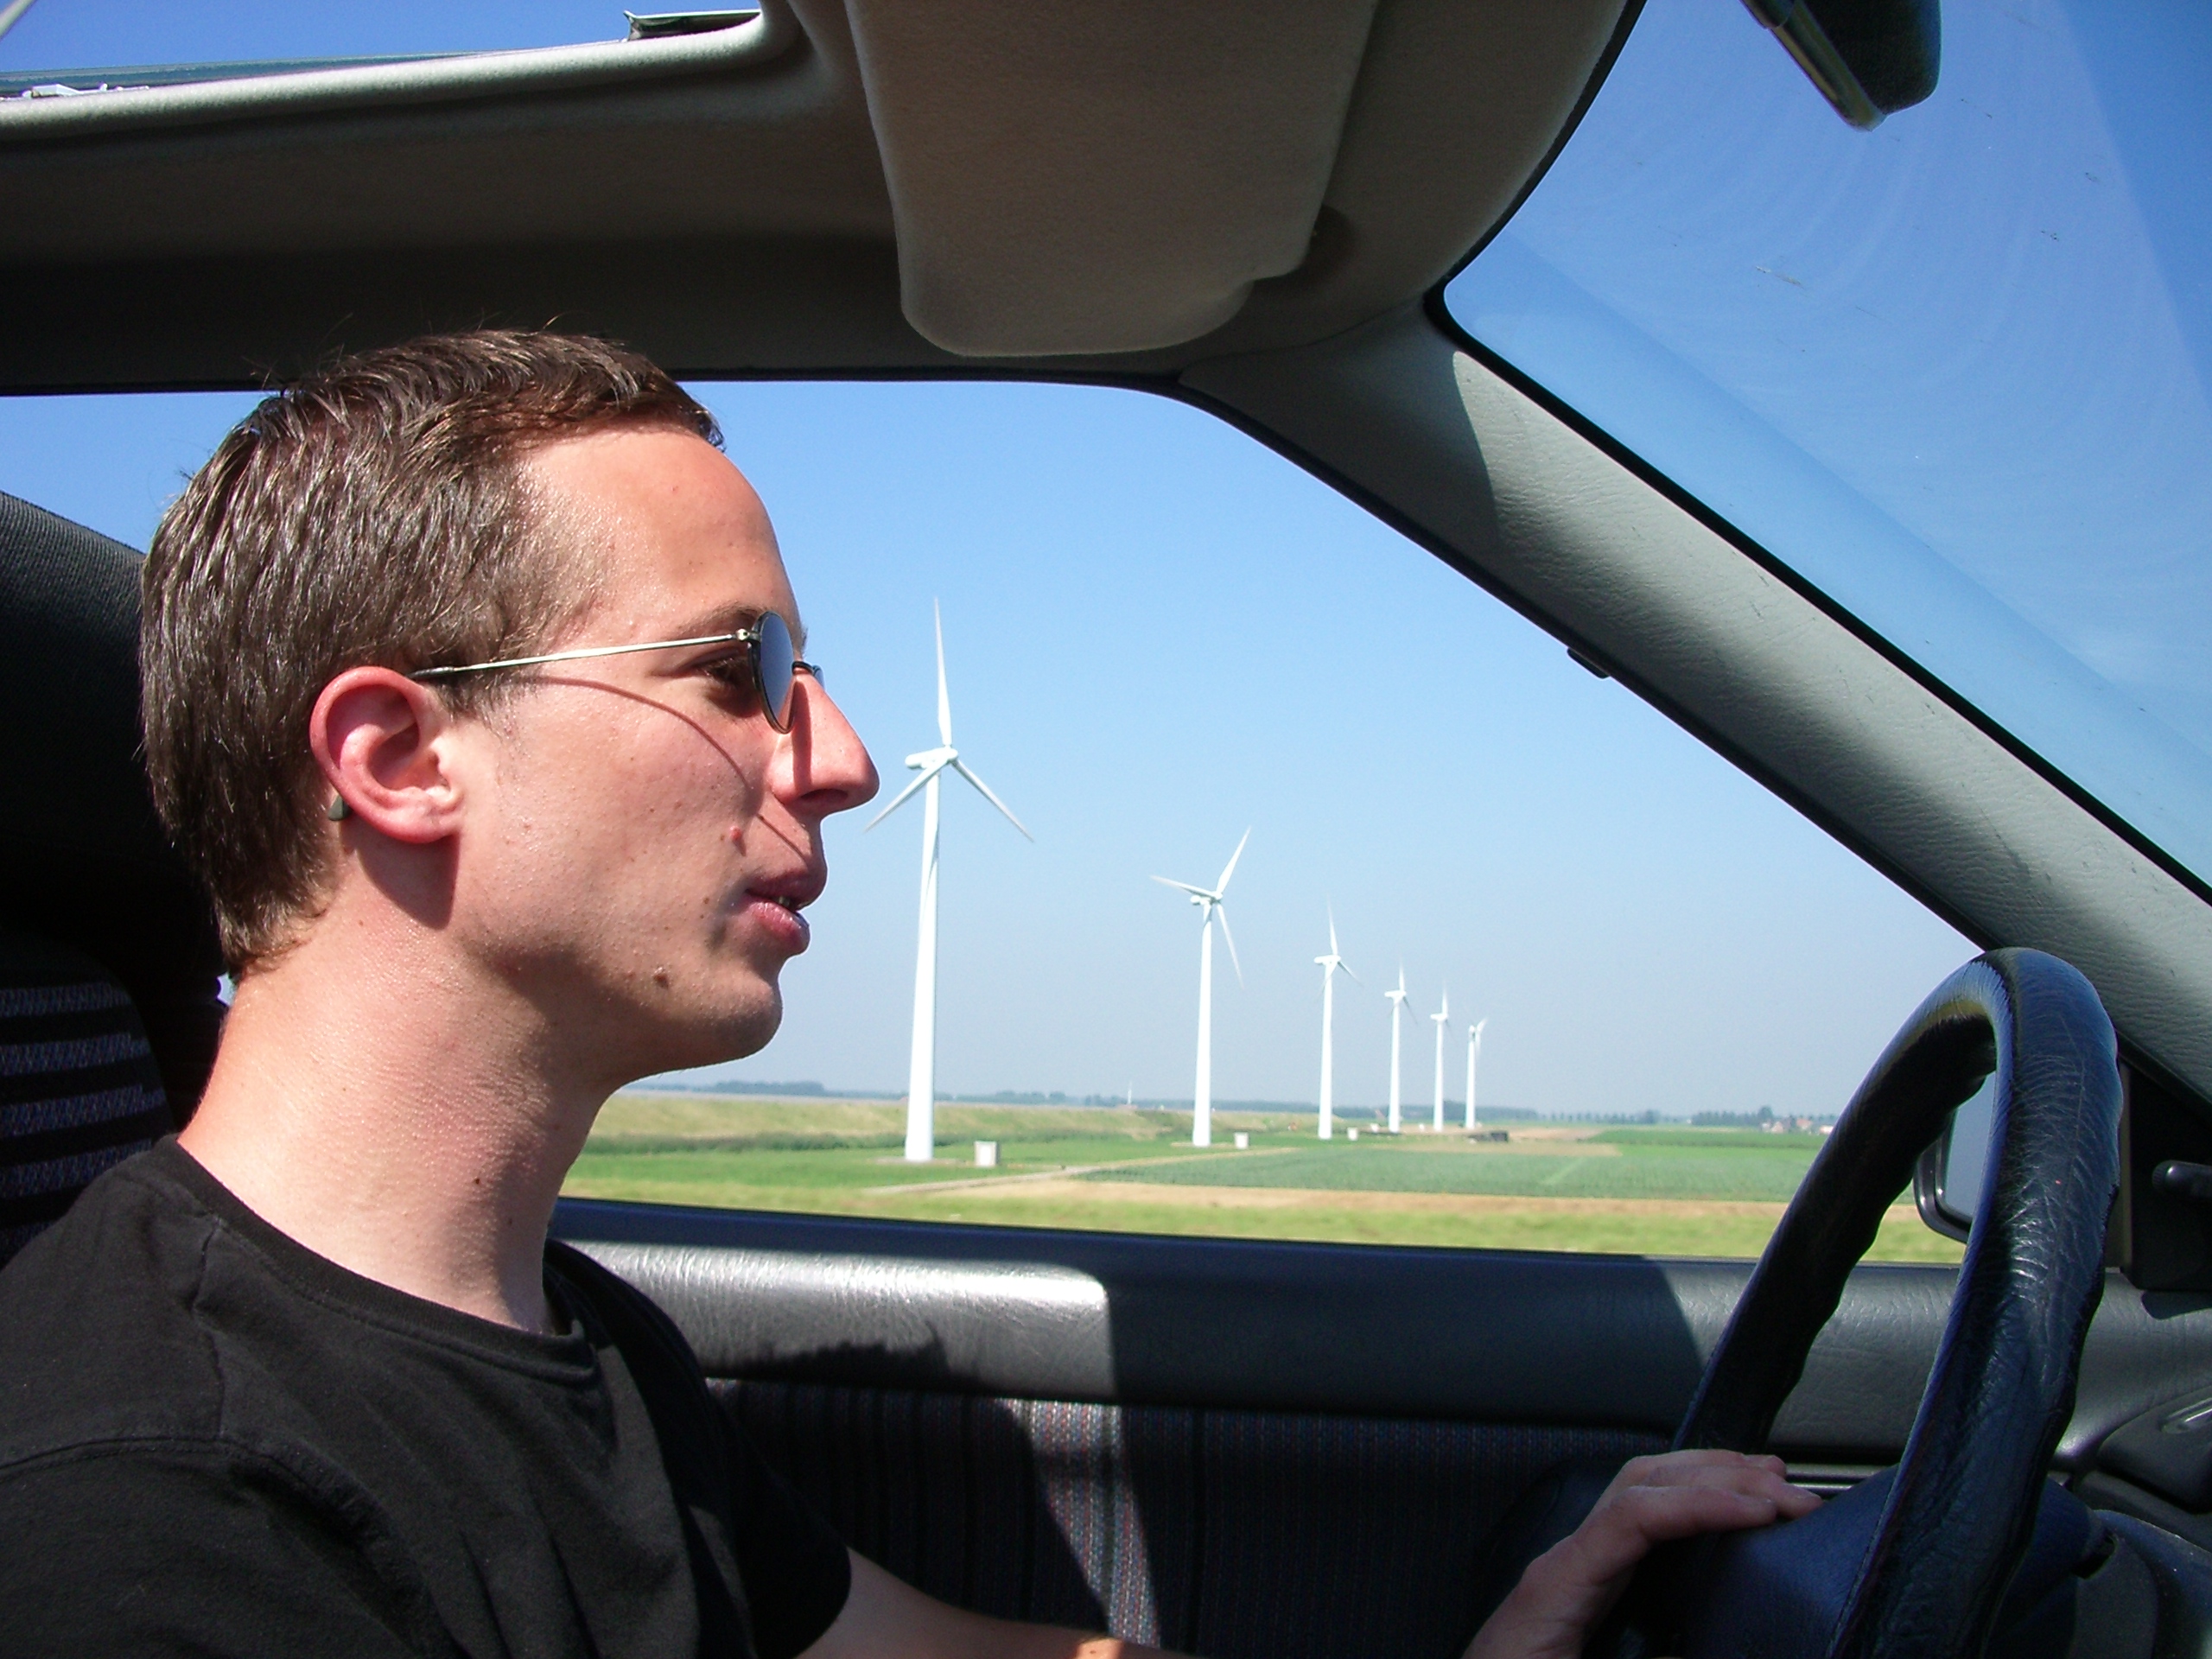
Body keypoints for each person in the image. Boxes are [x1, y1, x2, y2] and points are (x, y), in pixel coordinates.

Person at [0, 332, 1815, 1656]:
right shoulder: (148, 1518)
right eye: (740, 671)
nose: (850, 760)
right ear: (404, 758)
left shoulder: (568, 1337)